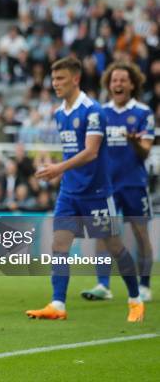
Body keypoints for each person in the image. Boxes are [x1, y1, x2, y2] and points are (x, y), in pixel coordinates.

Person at [26, 57, 144, 322]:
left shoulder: (92, 111)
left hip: (98, 193)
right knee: (59, 245)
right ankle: (58, 304)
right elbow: (72, 151)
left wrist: (58, 169)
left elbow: (91, 152)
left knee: (115, 247)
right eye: (53, 79)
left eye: (61, 79)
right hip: (70, 193)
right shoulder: (59, 113)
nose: (55, 84)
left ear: (75, 79)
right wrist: (56, 169)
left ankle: (135, 299)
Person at [80, 62, 155, 302]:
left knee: (140, 233)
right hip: (107, 186)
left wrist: (134, 141)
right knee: (104, 234)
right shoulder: (100, 113)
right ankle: (103, 285)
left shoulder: (143, 113)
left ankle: (144, 285)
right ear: (108, 85)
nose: (118, 84)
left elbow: (145, 151)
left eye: (123, 80)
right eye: (114, 80)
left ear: (132, 84)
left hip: (134, 184)